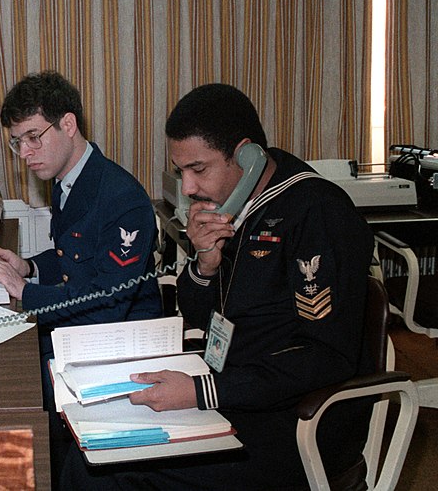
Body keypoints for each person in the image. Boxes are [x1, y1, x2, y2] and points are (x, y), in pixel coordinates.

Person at [61, 83, 375, 489]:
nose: (188, 188)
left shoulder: (316, 212)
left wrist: (201, 391)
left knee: (103, 474)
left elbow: (323, 356)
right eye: (181, 172)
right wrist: (205, 263)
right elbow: (199, 316)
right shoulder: (236, 208)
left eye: (199, 169)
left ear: (246, 155)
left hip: (296, 424)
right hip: (234, 395)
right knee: (85, 449)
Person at [0, 70, 163, 489]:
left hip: (120, 346)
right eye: (17, 142)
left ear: (68, 124)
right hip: (82, 330)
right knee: (0, 370)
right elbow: (75, 259)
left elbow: (108, 300)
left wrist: (25, 292)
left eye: (33, 137)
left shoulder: (120, 197)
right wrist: (30, 266)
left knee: (15, 386)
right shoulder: (69, 180)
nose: (25, 152)